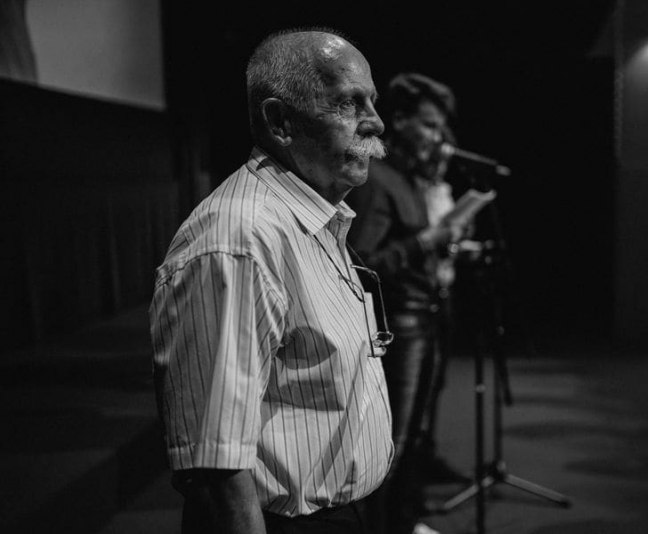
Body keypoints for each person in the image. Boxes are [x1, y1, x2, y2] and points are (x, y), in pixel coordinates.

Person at [149, 28, 393, 533]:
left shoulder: (312, 215)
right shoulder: (240, 238)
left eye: (372, 101)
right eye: (349, 103)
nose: (376, 122)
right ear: (280, 121)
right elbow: (215, 466)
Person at [346, 72, 471, 534]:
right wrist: (426, 242)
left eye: (440, 127)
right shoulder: (377, 180)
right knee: (392, 444)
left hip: (425, 316)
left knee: (414, 437)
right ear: (398, 121)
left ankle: (403, 522)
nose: (438, 137)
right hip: (400, 325)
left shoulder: (409, 179)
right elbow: (361, 264)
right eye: (429, 125)